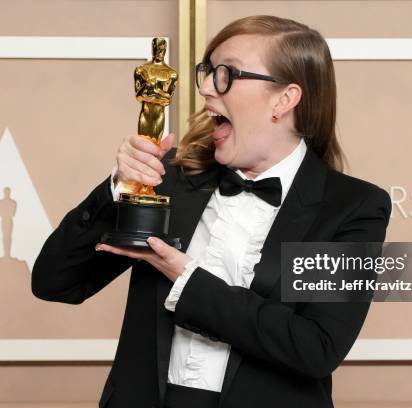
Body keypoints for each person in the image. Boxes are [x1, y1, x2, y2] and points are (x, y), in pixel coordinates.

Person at [31, 15, 391, 408]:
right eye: (207, 72)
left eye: (226, 74)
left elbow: (315, 348)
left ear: (284, 99)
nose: (204, 87)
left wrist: (184, 276)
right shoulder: (173, 178)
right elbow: (55, 282)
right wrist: (120, 185)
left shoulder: (351, 207)